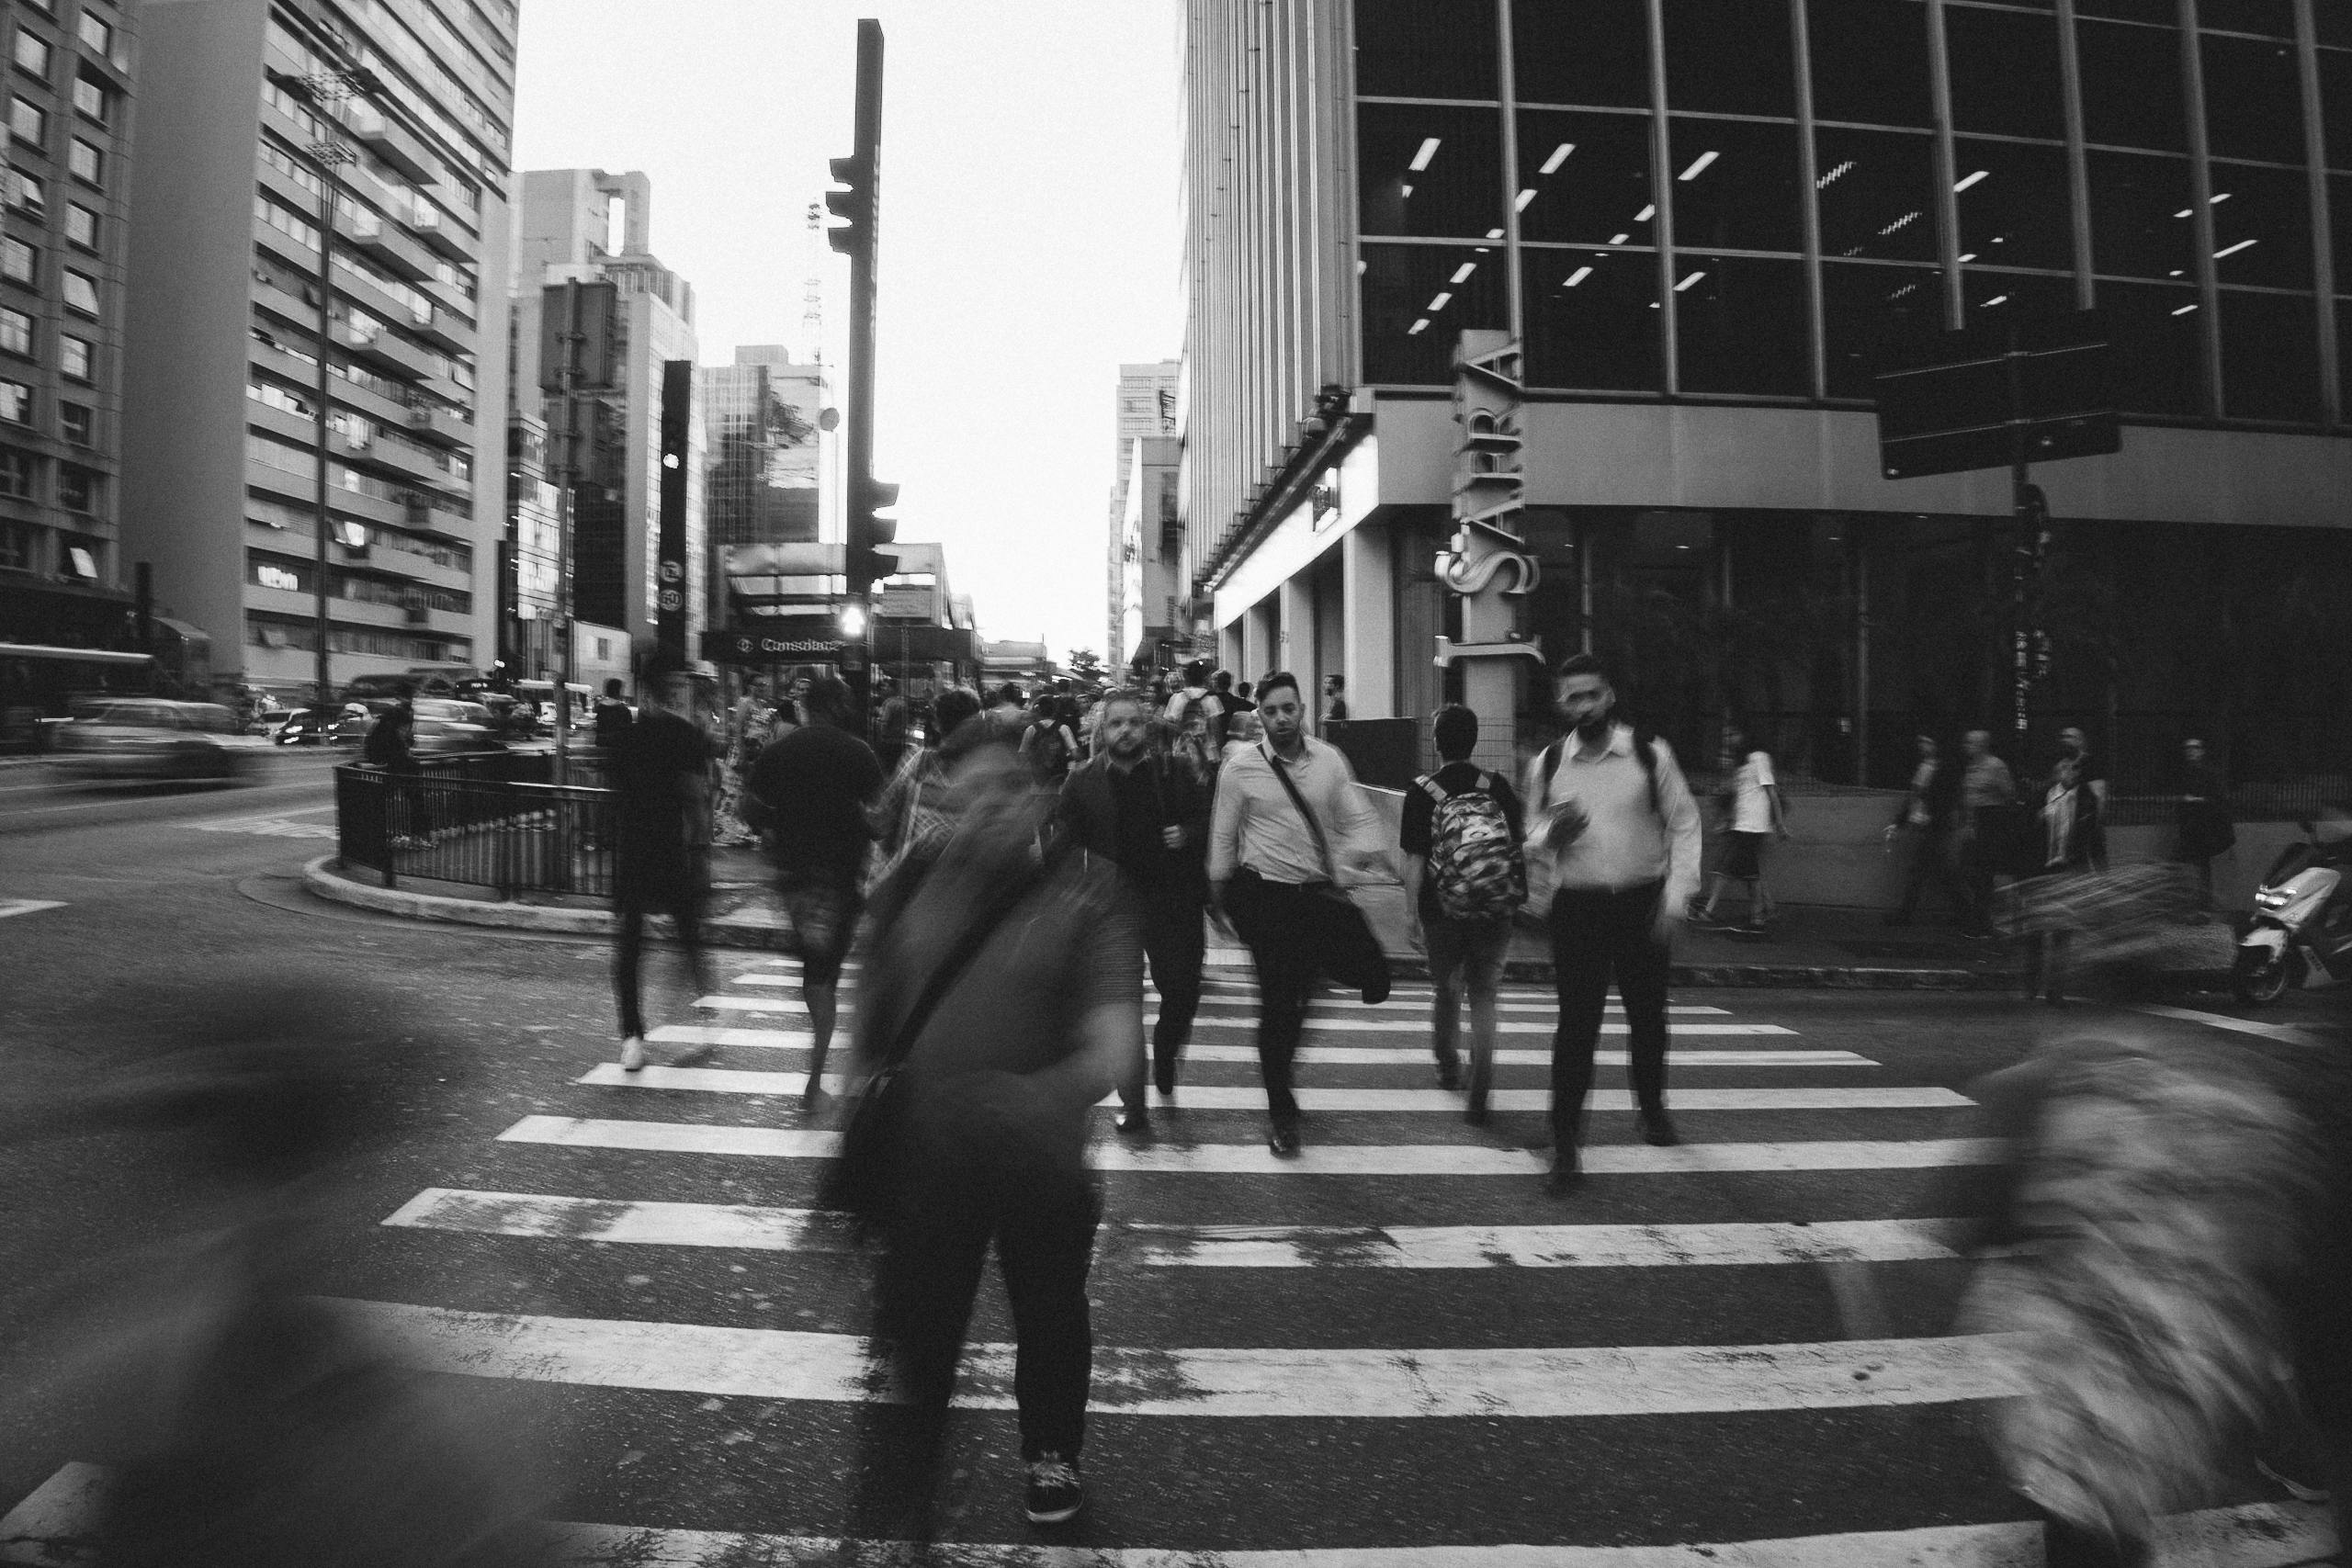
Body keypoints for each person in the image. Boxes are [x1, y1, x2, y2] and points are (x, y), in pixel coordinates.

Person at [849, 720, 1137, 1534]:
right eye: (970, 792)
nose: (990, 807)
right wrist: (859, 1097)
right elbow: (873, 1007)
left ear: (1041, 795)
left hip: (1040, 1159)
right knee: (923, 1327)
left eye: (1008, 787)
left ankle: (1051, 1449)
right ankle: (910, 1472)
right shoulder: (911, 878)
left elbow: (1114, 1043)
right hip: (928, 1156)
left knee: (1050, 1309)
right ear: (945, 799)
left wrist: (1037, 1098)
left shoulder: (1090, 889)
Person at [1523, 653, 1703, 1197]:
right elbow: (1532, 836)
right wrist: (1550, 836)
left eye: (1592, 694)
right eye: (1573, 697)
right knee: (1576, 1027)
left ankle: (1651, 1108)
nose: (1584, 706)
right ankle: (1565, 1144)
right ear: (1561, 704)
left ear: (1609, 697)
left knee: (1647, 1016)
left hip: (1640, 904)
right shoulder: (1549, 764)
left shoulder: (1649, 755)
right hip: (1577, 909)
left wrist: (1675, 899)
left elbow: (1685, 824)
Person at [1207, 671, 1388, 1156]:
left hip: (1316, 899)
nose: (1281, 718)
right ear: (1259, 716)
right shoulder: (1240, 769)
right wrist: (1217, 896)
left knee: (1304, 998)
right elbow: (1223, 835)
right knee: (1276, 1005)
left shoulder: (1329, 760)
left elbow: (1359, 818)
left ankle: (1281, 1071)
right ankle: (1281, 1112)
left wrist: (1357, 861)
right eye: (1271, 711)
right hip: (1266, 900)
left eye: (1289, 708)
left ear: (1302, 710)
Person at [1055, 687, 1212, 1134]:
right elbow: (1063, 843)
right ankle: (1134, 1104)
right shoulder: (1082, 781)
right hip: (1115, 907)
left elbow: (1207, 819)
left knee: (1181, 991)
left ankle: (1166, 1049)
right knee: (1123, 1008)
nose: (1125, 731)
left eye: (1133, 723)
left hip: (1172, 900)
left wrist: (1187, 833)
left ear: (1146, 727)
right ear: (1102, 730)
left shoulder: (1173, 771)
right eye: (1116, 723)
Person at [745, 673, 883, 1104]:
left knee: (816, 971)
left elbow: (748, 807)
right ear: (838, 706)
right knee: (824, 976)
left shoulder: (779, 751)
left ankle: (816, 1075)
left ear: (807, 707)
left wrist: (775, 825)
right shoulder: (858, 753)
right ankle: (814, 1079)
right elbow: (880, 819)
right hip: (838, 877)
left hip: (796, 880)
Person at [1402, 703, 1524, 1124]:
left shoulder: (1422, 792)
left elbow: (1415, 859)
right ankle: (1481, 1084)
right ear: (1473, 741)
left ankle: (1448, 1066)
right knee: (1485, 993)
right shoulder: (1497, 786)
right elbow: (1516, 847)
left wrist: (1410, 914)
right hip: (1495, 906)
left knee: (1447, 987)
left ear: (1436, 742)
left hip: (1442, 910)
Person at [605, 655, 715, 1072]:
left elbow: (616, 799)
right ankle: (704, 1008)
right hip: (671, 850)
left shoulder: (625, 738)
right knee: (688, 934)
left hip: (634, 850)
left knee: (630, 946)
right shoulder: (684, 735)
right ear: (670, 688)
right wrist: (701, 855)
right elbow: (695, 800)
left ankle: (632, 1037)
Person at [1694, 719, 1786, 933]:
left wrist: (1779, 823)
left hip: (1753, 825)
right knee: (1746, 870)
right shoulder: (1742, 761)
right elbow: (1739, 794)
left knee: (1741, 871)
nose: (1730, 740)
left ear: (1744, 735)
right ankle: (1761, 913)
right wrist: (1729, 819)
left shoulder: (1759, 758)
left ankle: (1755, 916)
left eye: (1732, 735)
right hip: (1742, 823)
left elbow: (1771, 791)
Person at [1884, 732, 1969, 927]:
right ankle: (1965, 912)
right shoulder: (1929, 766)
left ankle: (1905, 914)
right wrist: (1901, 820)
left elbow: (1940, 798)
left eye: (1927, 742)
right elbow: (1916, 797)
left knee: (1923, 870)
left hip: (1933, 825)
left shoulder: (1940, 768)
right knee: (1939, 872)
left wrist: (1907, 819)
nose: (1923, 746)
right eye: (1922, 742)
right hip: (1929, 824)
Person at [1957, 728, 2018, 939]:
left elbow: (2009, 794)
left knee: (1983, 872)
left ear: (1982, 745)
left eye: (1971, 743)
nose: (1966, 746)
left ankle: (1983, 922)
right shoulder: (1971, 767)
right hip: (1973, 823)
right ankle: (1980, 916)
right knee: (1967, 870)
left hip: (1990, 822)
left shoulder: (1995, 766)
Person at [2174, 737, 2234, 912]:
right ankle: (2198, 903)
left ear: (2201, 751)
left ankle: (2202, 904)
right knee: (2195, 866)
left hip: (2202, 828)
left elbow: (2218, 800)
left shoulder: (2208, 773)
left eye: (2194, 748)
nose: (2191, 752)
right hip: (2190, 827)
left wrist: (2196, 800)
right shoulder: (2186, 774)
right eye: (2188, 749)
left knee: (2200, 865)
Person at [361, 691, 427, 850]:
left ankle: (382, 835)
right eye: (404, 728)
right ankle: (416, 835)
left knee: (389, 797)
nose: (406, 731)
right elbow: (400, 749)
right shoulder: (392, 729)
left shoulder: (388, 723)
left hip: (387, 761)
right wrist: (407, 754)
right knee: (413, 796)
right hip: (392, 762)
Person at [2056, 726, 2109, 872]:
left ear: (2080, 741)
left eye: (2069, 737)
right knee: (2076, 859)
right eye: (2063, 737)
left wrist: (2097, 820)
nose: (2064, 740)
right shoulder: (2062, 764)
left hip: (2087, 818)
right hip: (2069, 820)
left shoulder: (2089, 762)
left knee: (2096, 857)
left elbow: (2099, 793)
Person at [1020, 694, 1081, 785]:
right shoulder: (1063, 728)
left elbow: (1022, 753)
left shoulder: (1031, 729)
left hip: (1038, 777)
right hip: (1059, 776)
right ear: (1055, 710)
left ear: (1038, 710)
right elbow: (1075, 753)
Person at [592, 677, 634, 746]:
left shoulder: (600, 707)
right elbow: (628, 729)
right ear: (619, 691)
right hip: (617, 743)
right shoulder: (623, 709)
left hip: (602, 741)